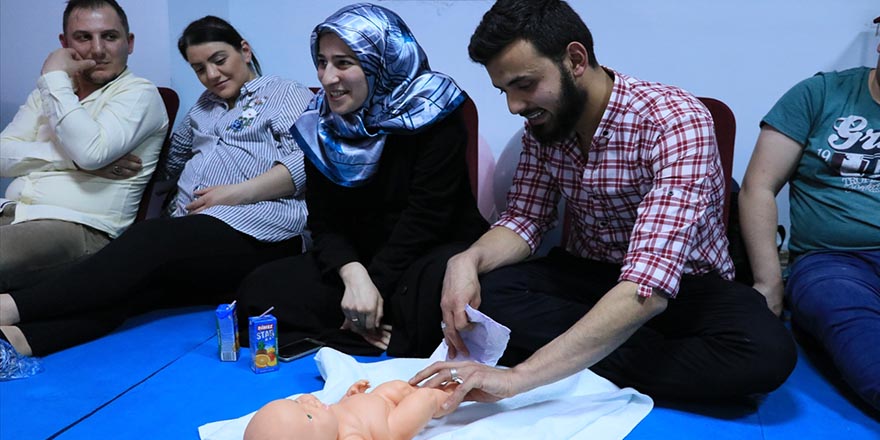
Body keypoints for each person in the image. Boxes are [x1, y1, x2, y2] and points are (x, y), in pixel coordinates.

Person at [411, 0, 797, 413]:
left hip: (687, 287)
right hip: (592, 275)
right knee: (484, 291)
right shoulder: (545, 127)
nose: (515, 106)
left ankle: (573, 358)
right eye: (504, 91)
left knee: (766, 353)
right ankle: (595, 354)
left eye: (524, 84)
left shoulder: (675, 121)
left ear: (575, 59)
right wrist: (467, 261)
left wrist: (517, 379)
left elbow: (647, 288)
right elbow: (525, 219)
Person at [0, 15, 312, 363]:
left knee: (150, 239)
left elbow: (305, 163)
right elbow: (166, 163)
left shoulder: (284, 92)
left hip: (260, 231)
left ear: (244, 50)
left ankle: (9, 307)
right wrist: (106, 163)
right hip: (196, 234)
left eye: (219, 60)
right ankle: (19, 340)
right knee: (136, 289)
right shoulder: (202, 110)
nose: (211, 75)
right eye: (199, 68)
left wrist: (233, 193)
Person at [236, 3, 487, 357]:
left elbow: (428, 218)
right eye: (322, 62)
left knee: (435, 296)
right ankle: (367, 327)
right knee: (257, 290)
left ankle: (367, 325)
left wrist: (376, 285)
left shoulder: (433, 111)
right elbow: (323, 222)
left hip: (425, 253)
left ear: (381, 61)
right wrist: (354, 277)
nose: (326, 78)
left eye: (343, 63)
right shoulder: (319, 123)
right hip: (359, 262)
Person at [738, 20, 880, 411]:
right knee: (841, 311)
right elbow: (758, 188)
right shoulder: (819, 94)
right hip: (834, 263)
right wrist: (769, 284)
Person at [0, 0, 168, 288]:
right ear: (65, 43)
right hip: (13, 211)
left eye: (110, 36)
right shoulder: (48, 94)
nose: (98, 50)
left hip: (78, 227)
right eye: (83, 37)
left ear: (129, 43)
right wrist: (69, 160)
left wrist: (53, 75)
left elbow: (90, 153)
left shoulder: (140, 94)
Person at [244, 379, 454, 440]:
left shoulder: (327, 420)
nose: (310, 402)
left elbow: (343, 412)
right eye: (308, 414)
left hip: (377, 399)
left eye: (296, 402)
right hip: (391, 425)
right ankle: (453, 396)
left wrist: (350, 396)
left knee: (398, 386)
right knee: (425, 399)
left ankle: (440, 385)